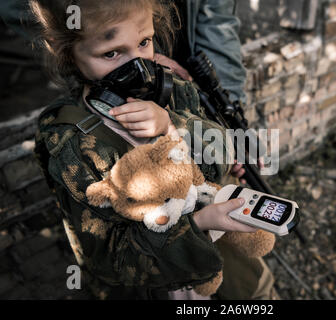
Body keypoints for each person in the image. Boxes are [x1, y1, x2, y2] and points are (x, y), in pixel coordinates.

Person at [31, 0, 275, 300]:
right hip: (159, 286)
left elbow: (221, 159)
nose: (140, 67)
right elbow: (107, 260)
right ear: (61, 47)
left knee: (256, 294)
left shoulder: (175, 93)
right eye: (111, 53)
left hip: (228, 266)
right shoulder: (72, 142)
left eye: (144, 42)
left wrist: (173, 125)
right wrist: (197, 225)